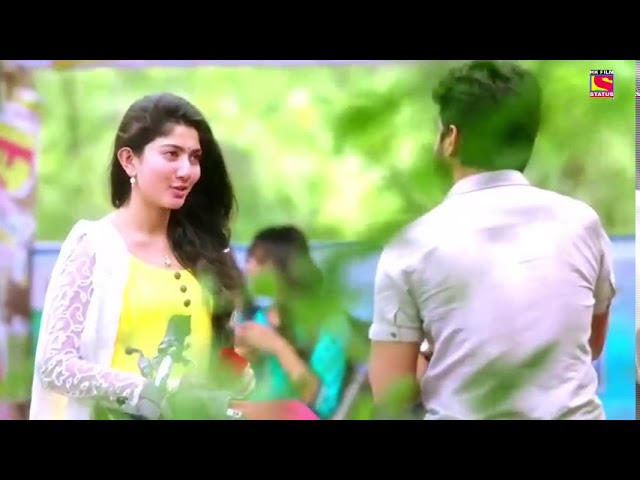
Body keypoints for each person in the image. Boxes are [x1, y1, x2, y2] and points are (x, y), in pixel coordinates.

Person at [368, 60, 616, 420]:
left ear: (451, 138)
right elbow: (589, 345)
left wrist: (438, 357)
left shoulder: (409, 246)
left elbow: (391, 393)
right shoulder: (583, 224)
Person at [29, 93, 254, 420]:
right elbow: (54, 365)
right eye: (172, 154)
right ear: (129, 160)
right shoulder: (94, 244)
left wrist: (233, 376)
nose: (186, 170)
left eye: (194, 157)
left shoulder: (203, 249)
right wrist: (144, 392)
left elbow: (215, 359)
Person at [235, 226, 352, 419]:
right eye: (249, 260)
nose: (249, 268)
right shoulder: (259, 317)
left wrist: (277, 346)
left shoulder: (329, 324)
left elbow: (320, 402)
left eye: (260, 261)